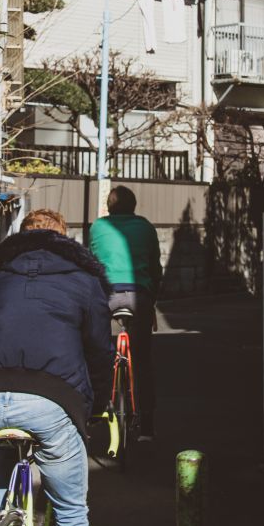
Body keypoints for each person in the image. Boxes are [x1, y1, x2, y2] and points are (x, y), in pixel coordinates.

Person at [0, 209, 115, 526]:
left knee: (5, 443)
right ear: (64, 240)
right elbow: (100, 352)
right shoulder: (84, 279)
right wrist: (95, 408)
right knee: (70, 512)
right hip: (50, 401)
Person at [88, 185, 162, 440]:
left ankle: (96, 408)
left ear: (109, 207)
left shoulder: (97, 227)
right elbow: (155, 268)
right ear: (134, 206)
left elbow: (91, 263)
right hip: (138, 295)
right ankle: (148, 426)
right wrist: (152, 299)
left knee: (97, 351)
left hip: (105, 295)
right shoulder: (146, 227)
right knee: (142, 360)